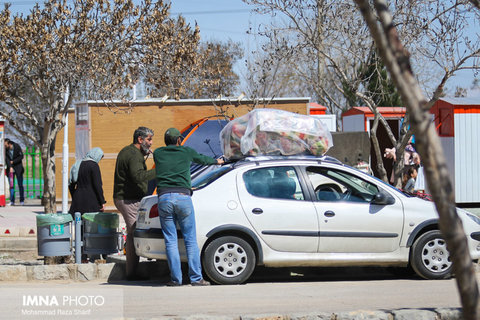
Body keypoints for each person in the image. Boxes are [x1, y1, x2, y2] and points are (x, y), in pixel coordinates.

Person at [153, 127, 224, 286]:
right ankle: (196, 278)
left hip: (164, 198)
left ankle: (176, 279)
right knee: (190, 240)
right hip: (183, 197)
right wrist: (217, 161)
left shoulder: (158, 153)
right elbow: (202, 159)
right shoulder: (186, 152)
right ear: (179, 140)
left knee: (170, 241)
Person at [113, 126, 156, 281]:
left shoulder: (131, 152)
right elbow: (138, 176)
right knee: (133, 234)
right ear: (140, 139)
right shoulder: (133, 155)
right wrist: (159, 169)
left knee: (133, 233)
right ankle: (131, 272)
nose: (151, 143)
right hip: (128, 199)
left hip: (128, 198)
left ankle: (132, 270)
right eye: (149, 139)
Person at [68, 147, 106, 216]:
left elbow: (71, 184)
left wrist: (75, 196)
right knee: (90, 225)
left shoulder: (78, 164)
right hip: (91, 201)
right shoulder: (94, 166)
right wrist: (102, 202)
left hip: (78, 200)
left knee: (79, 224)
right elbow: (97, 185)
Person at [5, 139, 25, 206]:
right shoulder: (6, 149)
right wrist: (10, 166)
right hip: (10, 170)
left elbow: (21, 156)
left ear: (9, 144)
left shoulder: (17, 146)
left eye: (6, 144)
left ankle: (22, 200)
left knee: (20, 185)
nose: (5, 146)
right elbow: (7, 159)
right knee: (11, 185)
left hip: (18, 169)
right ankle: (12, 201)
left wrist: (13, 162)